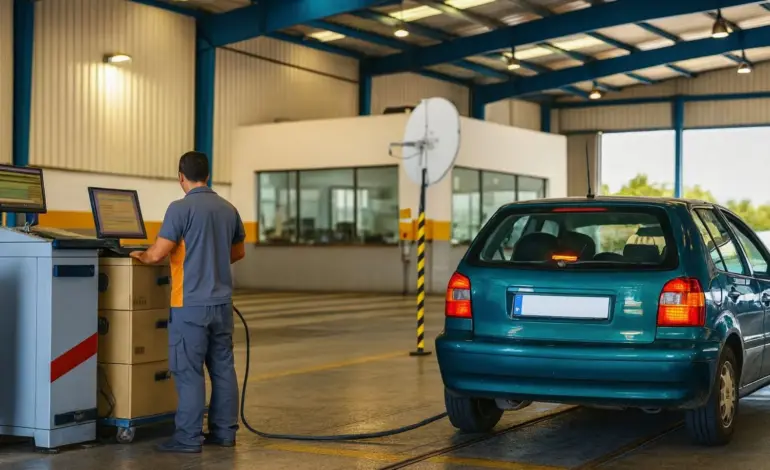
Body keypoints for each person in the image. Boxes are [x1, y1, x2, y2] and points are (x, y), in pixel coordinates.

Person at [130, 151, 246, 454]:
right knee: (222, 368)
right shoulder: (228, 209)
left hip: (190, 305)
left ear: (181, 176)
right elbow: (238, 253)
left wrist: (140, 255)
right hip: (222, 306)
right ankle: (223, 434)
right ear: (207, 175)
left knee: (188, 371)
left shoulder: (180, 209)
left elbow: (157, 253)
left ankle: (188, 438)